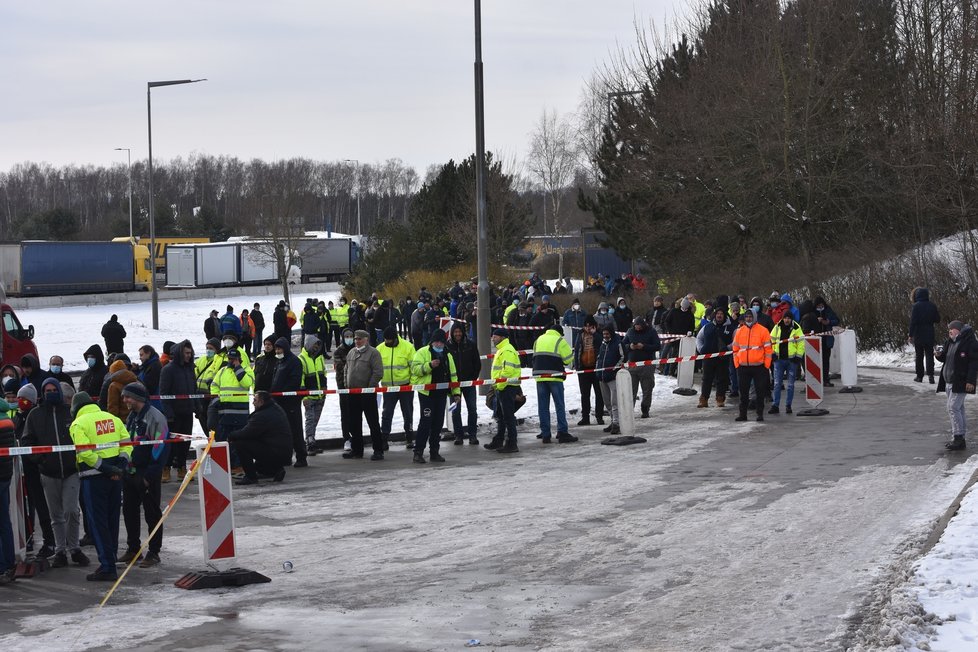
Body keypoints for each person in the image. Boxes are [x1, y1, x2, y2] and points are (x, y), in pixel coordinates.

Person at [20, 378, 89, 568]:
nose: (51, 393)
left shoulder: (70, 413)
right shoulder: (35, 415)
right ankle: (60, 551)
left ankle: (74, 548)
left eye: (53, 389)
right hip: (48, 473)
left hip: (70, 470)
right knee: (56, 515)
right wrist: (40, 460)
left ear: (59, 391)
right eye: (47, 390)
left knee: (71, 511)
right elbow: (27, 442)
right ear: (43, 393)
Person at [69, 391, 130, 581]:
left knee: (98, 523)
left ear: (75, 409)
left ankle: (107, 566)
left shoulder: (78, 424)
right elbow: (127, 443)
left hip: (94, 479)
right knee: (112, 520)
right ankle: (110, 559)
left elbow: (85, 452)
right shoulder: (112, 419)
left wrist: (104, 468)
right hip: (115, 478)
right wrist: (119, 467)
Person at [119, 382, 169, 568]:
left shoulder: (155, 417)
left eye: (127, 397)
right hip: (130, 472)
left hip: (147, 473)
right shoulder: (132, 416)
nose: (125, 400)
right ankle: (133, 549)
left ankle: (154, 552)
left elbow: (161, 447)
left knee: (152, 513)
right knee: (129, 512)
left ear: (138, 398)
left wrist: (151, 474)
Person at [410, 329, 460, 463]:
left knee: (438, 424)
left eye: (441, 342)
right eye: (436, 342)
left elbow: (453, 375)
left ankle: (434, 452)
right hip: (427, 394)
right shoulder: (422, 352)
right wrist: (429, 366)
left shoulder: (447, 355)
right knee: (425, 423)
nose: (439, 345)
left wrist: (456, 393)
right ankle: (418, 452)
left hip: (441, 394)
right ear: (432, 342)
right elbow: (414, 370)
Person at [228, 391, 292, 485]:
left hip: (277, 453)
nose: (253, 403)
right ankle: (272, 470)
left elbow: (247, 433)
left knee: (241, 443)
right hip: (282, 451)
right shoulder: (275, 408)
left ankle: (250, 477)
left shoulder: (262, 415)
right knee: (255, 442)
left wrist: (231, 435)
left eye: (255, 400)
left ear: (261, 402)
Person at [935, 320, 978, 450]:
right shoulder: (950, 342)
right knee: (958, 408)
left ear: (959, 330)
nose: (949, 331)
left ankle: (958, 438)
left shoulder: (969, 342)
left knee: (953, 407)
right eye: (949, 329)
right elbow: (945, 358)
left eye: (952, 329)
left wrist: (970, 381)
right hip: (948, 381)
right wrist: (938, 355)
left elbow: (974, 363)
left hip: (960, 381)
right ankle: (960, 437)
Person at [343, 330, 385, 461]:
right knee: (354, 423)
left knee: (373, 422)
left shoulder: (373, 353)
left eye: (359, 339)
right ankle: (357, 450)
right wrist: (347, 384)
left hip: (367, 393)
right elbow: (346, 369)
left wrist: (369, 387)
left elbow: (378, 372)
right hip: (353, 393)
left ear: (366, 339)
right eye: (356, 339)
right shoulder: (351, 352)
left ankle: (378, 450)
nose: (356, 341)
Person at [211, 349, 254, 472]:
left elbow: (247, 383)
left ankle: (238, 465)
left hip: (240, 413)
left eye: (233, 359)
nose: (231, 361)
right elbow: (214, 385)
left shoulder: (246, 370)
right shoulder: (223, 371)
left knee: (239, 441)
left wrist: (238, 368)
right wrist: (215, 399)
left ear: (239, 359)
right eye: (229, 359)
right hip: (225, 412)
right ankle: (227, 465)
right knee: (225, 440)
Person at [532, 323, 577, 443]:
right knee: (559, 405)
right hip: (555, 376)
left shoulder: (539, 339)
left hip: (540, 376)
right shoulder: (559, 341)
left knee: (543, 407)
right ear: (560, 333)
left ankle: (545, 434)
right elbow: (568, 359)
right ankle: (562, 432)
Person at [158, 340, 195, 482]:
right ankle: (166, 468)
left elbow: (193, 389)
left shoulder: (190, 368)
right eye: (186, 353)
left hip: (187, 411)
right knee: (170, 444)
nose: (188, 355)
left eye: (190, 353)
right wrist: (168, 413)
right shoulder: (168, 369)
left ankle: (181, 467)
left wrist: (196, 406)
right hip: (173, 413)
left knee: (185, 443)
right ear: (180, 353)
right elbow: (164, 393)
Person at [379, 326, 417, 450]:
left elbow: (414, 368)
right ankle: (384, 439)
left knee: (407, 412)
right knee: (386, 413)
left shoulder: (408, 347)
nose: (387, 342)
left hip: (405, 387)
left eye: (389, 340)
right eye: (385, 340)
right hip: (388, 388)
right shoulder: (380, 349)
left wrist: (411, 384)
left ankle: (409, 437)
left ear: (395, 338)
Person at [271, 337, 307, 467]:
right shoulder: (279, 362)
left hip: (291, 402)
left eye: (279, 348)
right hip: (279, 401)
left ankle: (301, 457)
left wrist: (281, 392)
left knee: (295, 430)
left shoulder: (294, 362)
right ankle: (286, 457)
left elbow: (294, 381)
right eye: (276, 348)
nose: (277, 350)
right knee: (282, 432)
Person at [484, 328, 522, 453]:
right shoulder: (502, 350)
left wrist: (499, 385)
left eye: (495, 336)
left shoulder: (507, 350)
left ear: (502, 337)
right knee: (501, 415)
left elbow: (508, 371)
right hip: (502, 387)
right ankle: (499, 440)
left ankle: (512, 443)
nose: (492, 338)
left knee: (508, 416)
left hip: (506, 387)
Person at [732, 308, 773, 422]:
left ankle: (760, 414)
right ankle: (742, 414)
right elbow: (735, 349)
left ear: (754, 317)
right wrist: (737, 364)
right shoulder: (739, 331)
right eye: (747, 317)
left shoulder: (763, 331)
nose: (748, 319)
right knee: (743, 393)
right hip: (743, 367)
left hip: (759, 367)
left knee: (760, 393)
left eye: (750, 316)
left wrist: (766, 366)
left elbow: (768, 350)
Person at [446, 323, 481, 445]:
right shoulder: (447, 346)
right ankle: (458, 436)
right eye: (455, 332)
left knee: (472, 409)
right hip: (454, 385)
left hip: (469, 383)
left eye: (459, 331)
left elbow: (477, 363)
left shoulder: (470, 344)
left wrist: (473, 378)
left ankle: (473, 435)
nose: (457, 334)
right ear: (451, 333)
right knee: (455, 411)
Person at [622, 316, 660, 418]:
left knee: (647, 389)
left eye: (639, 326)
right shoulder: (630, 331)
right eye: (636, 326)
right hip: (632, 365)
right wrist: (630, 346)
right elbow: (622, 345)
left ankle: (645, 409)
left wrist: (644, 346)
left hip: (647, 365)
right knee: (631, 390)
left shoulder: (651, 332)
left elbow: (657, 346)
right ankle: (630, 410)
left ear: (643, 325)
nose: (637, 328)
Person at [696, 308, 734, 408]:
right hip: (708, 357)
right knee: (706, 379)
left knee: (721, 379)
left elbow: (736, 341)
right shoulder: (707, 327)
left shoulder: (730, 328)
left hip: (723, 358)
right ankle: (703, 399)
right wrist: (701, 349)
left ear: (724, 316)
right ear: (714, 315)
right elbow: (699, 338)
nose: (719, 315)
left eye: (721, 313)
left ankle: (720, 399)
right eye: (717, 313)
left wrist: (728, 348)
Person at [768, 312, 804, 415]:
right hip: (779, 360)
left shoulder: (797, 328)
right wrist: (773, 353)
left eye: (788, 318)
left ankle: (788, 405)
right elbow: (771, 340)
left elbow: (801, 343)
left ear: (791, 319)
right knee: (777, 384)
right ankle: (775, 405)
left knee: (790, 385)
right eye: (785, 318)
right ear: (783, 319)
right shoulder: (777, 327)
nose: (786, 320)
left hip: (791, 360)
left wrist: (798, 355)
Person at [299, 335, 327, 454]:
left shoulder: (320, 358)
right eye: (314, 345)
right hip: (309, 396)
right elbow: (301, 379)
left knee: (315, 420)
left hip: (320, 395)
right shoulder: (302, 359)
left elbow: (323, 373)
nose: (316, 348)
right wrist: (304, 396)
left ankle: (312, 440)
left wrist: (325, 389)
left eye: (318, 346)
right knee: (310, 420)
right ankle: (309, 442)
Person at [574, 317, 605, 426]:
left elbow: (603, 344)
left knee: (599, 394)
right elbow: (577, 350)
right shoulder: (580, 334)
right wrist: (577, 366)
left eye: (590, 326)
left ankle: (599, 416)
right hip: (583, 369)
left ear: (594, 326)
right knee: (585, 395)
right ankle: (585, 417)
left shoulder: (599, 334)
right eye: (586, 326)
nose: (588, 328)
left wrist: (595, 334)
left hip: (596, 368)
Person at [596, 326, 625, 435]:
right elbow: (599, 357)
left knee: (614, 402)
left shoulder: (618, 343)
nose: (605, 336)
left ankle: (616, 423)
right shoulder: (603, 344)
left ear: (611, 334)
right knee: (607, 402)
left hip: (612, 377)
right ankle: (613, 421)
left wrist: (614, 370)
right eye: (604, 334)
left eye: (607, 334)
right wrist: (598, 370)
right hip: (602, 377)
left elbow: (623, 357)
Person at [0, 411, 17, 585]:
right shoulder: (6, 418)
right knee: (5, 522)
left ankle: (2, 567)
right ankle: (9, 563)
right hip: (5, 475)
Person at [333, 328, 356, 451]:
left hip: (356, 387)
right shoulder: (339, 351)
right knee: (345, 414)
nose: (349, 338)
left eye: (351, 336)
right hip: (343, 387)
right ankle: (346, 438)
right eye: (346, 336)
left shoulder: (357, 349)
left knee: (355, 413)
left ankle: (356, 436)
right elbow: (342, 369)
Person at [812, 296, 840, 385]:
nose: (820, 307)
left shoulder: (828, 310)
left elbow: (836, 320)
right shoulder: (812, 313)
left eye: (821, 305)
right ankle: (816, 379)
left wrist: (828, 322)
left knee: (825, 360)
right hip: (815, 340)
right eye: (818, 306)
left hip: (827, 339)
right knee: (815, 360)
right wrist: (816, 321)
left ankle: (826, 379)